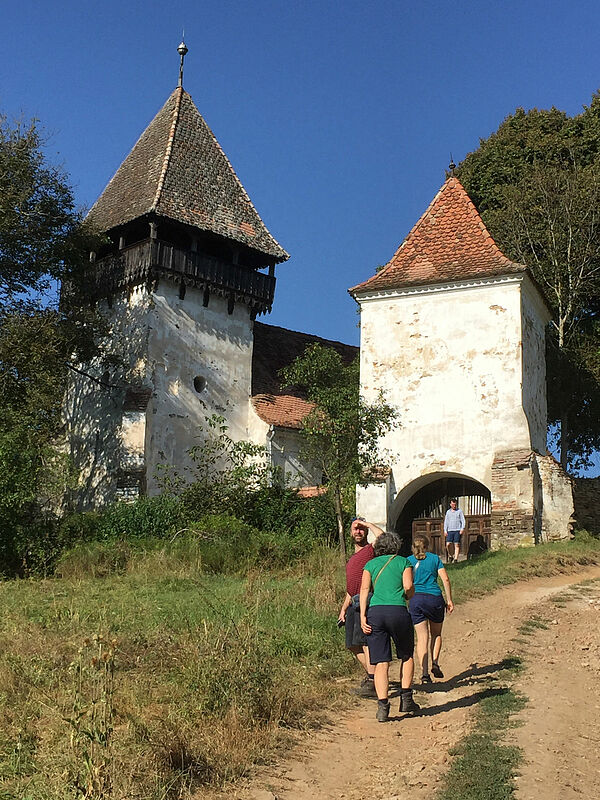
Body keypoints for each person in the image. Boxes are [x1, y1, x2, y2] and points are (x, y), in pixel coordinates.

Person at [359, 531, 419, 722]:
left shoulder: (370, 565)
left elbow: (364, 590)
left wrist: (362, 616)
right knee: (406, 654)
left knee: (380, 662)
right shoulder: (403, 562)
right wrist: (407, 596)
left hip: (375, 613)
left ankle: (383, 707)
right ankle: (406, 699)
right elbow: (408, 586)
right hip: (398, 611)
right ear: (396, 545)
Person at [338, 518, 384, 697]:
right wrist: (343, 608)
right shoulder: (352, 560)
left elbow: (382, 536)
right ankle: (375, 675)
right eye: (355, 529)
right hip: (353, 604)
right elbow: (351, 589)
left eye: (361, 529)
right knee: (352, 644)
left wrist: (367, 524)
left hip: (366, 602)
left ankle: (373, 681)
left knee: (365, 644)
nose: (358, 532)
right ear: (350, 532)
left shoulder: (370, 551)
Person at [407, 534, 454, 683]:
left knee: (421, 638)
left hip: (416, 599)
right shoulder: (434, 559)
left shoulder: (408, 561)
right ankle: (435, 662)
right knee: (436, 634)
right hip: (434, 599)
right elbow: (445, 579)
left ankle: (425, 673)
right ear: (427, 546)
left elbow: (406, 583)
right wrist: (449, 600)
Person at [443, 497, 465, 562]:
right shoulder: (448, 512)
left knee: (456, 544)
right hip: (450, 530)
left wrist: (462, 528)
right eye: (452, 504)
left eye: (455, 504)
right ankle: (450, 556)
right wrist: (445, 530)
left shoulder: (459, 511)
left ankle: (455, 559)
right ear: (450, 504)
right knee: (448, 544)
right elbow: (446, 521)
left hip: (457, 530)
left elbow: (463, 520)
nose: (454, 506)